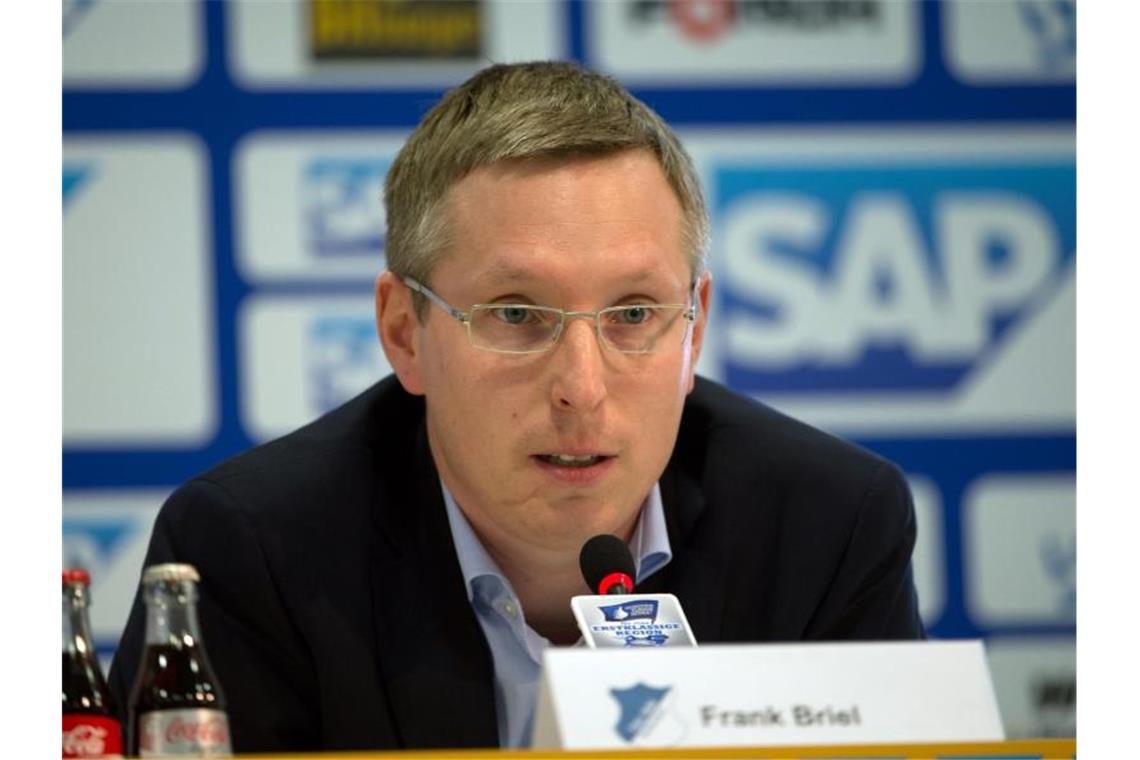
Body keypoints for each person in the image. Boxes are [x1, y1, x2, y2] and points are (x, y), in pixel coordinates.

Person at [108, 61, 923, 753]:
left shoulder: (831, 524)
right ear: (405, 332)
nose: (581, 385)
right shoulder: (252, 554)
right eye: (517, 315)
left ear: (695, 327)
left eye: (634, 314)